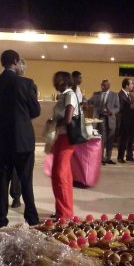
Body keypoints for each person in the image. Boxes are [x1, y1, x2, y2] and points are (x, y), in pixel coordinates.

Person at [0, 50, 41, 230]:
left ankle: (0, 220)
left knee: (1, 181)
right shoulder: (27, 83)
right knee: (26, 180)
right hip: (22, 139)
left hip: (1, 140)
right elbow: (36, 111)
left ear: (2, 62)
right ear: (16, 62)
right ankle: (32, 218)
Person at [0, 59, 27, 209]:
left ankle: (15, 196)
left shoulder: (25, 84)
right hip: (3, 133)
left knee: (14, 169)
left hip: (15, 134)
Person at [50, 71, 78, 219]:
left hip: (67, 138)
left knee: (60, 175)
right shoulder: (63, 96)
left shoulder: (70, 95)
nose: (56, 83)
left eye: (59, 80)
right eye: (55, 80)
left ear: (66, 81)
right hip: (60, 137)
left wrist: (53, 123)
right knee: (61, 175)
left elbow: (68, 119)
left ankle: (65, 214)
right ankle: (62, 210)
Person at [88, 78, 120, 165]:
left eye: (104, 85)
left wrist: (111, 111)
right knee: (102, 139)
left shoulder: (114, 95)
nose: (102, 86)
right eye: (101, 85)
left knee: (110, 139)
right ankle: (101, 158)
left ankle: (108, 158)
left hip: (111, 119)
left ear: (109, 86)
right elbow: (89, 102)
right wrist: (84, 101)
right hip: (100, 119)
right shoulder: (96, 94)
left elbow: (117, 107)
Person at [117, 78, 134, 162]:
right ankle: (120, 157)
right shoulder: (119, 95)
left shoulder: (130, 95)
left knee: (131, 139)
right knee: (123, 139)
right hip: (124, 121)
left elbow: (132, 107)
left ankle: (129, 156)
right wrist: (131, 107)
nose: (133, 85)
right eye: (131, 84)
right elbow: (120, 108)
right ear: (126, 86)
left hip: (131, 120)